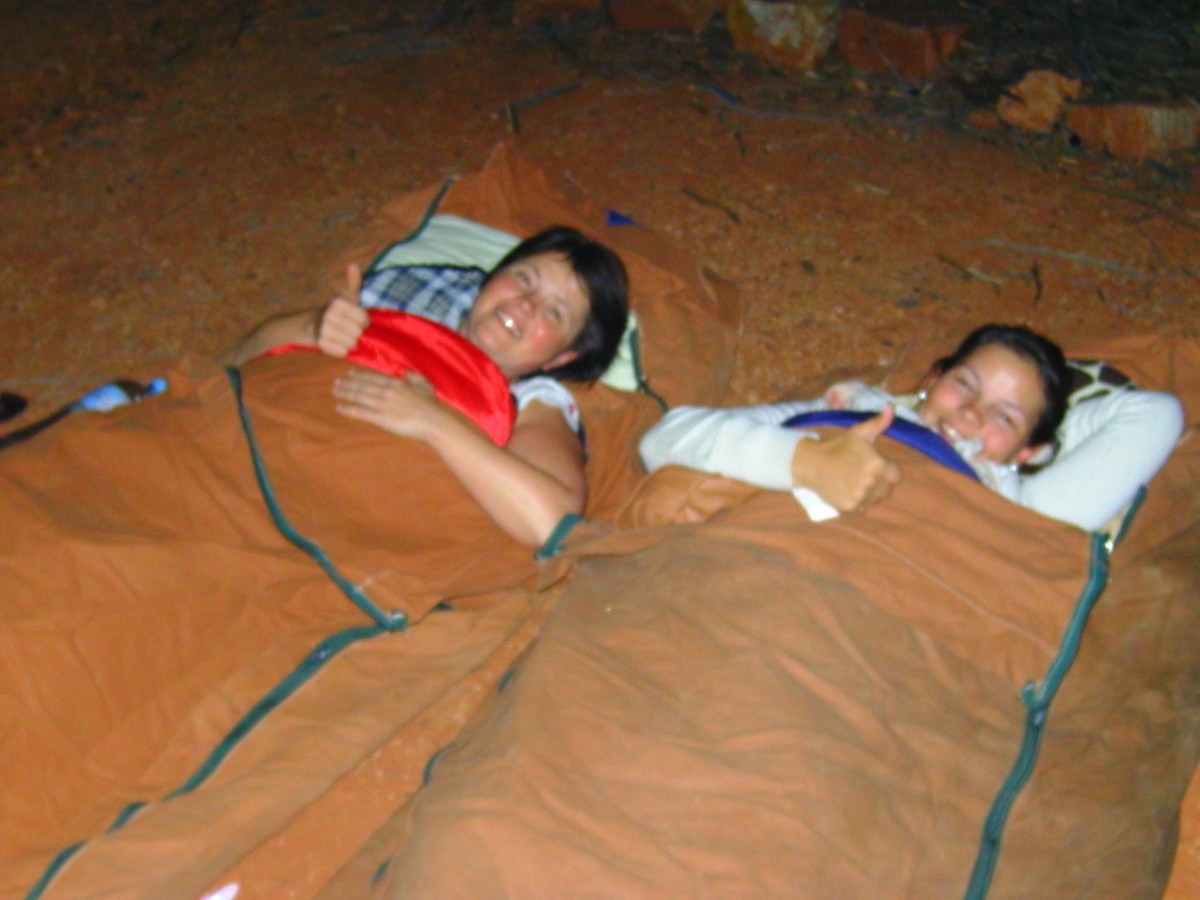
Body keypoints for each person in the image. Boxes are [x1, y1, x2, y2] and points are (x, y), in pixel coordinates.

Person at [227, 225, 630, 548]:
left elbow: (552, 521)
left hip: (339, 523)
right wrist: (314, 329)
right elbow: (237, 361)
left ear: (562, 358)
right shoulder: (404, 306)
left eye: (554, 312)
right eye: (524, 278)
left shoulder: (532, 402)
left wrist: (430, 421)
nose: (527, 303)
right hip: (255, 451)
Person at [640, 324, 1184, 532]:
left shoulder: (1024, 509)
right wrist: (805, 461)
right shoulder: (858, 416)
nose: (971, 415)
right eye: (964, 385)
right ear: (932, 380)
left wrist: (1038, 442)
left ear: (1029, 452)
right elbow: (663, 439)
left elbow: (1156, 414)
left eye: (1004, 416)